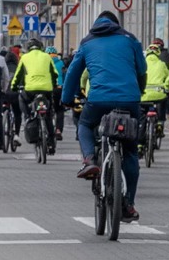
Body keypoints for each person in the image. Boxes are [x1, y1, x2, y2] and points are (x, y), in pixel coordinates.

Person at [63, 11, 150, 222]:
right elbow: (142, 70)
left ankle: (89, 160)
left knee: (85, 125)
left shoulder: (87, 42)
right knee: (130, 152)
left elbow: (73, 73)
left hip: (98, 100)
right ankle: (128, 204)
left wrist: (66, 99)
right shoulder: (130, 39)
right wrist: (138, 91)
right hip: (129, 100)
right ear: (116, 24)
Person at [13, 39, 59, 143]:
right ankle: (51, 141)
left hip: (30, 89)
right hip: (46, 89)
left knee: (21, 98)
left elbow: (18, 75)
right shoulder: (47, 56)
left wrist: (14, 86)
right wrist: (54, 85)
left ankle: (28, 116)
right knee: (48, 113)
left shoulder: (24, 57)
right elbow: (54, 73)